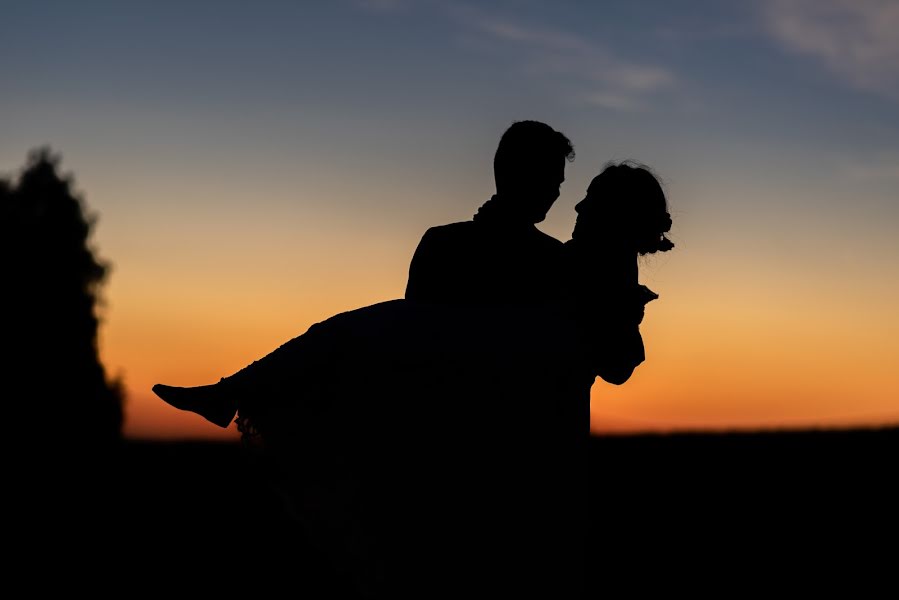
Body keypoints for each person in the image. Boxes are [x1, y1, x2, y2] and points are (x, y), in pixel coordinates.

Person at [153, 160, 674, 598]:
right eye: (570, 194)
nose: (575, 208)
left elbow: (617, 360)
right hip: (481, 357)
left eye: (584, 200)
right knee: (346, 333)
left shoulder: (597, 265)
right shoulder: (563, 257)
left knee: (348, 335)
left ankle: (232, 392)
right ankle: (232, 391)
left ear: (611, 214)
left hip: (497, 368)